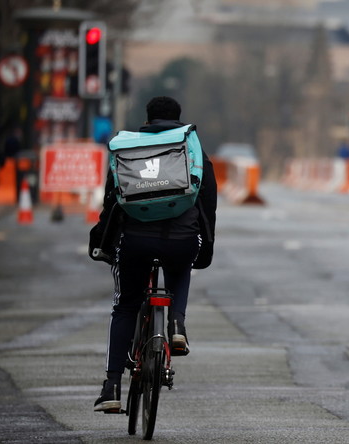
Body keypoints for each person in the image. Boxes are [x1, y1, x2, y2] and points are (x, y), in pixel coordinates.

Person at [89, 96, 217, 412]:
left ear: (147, 120)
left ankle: (112, 386)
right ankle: (177, 326)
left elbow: (112, 200)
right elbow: (208, 202)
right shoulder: (192, 146)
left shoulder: (128, 148)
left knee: (125, 306)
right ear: (178, 118)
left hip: (136, 241)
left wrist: (102, 240)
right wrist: (206, 244)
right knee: (180, 267)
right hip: (182, 239)